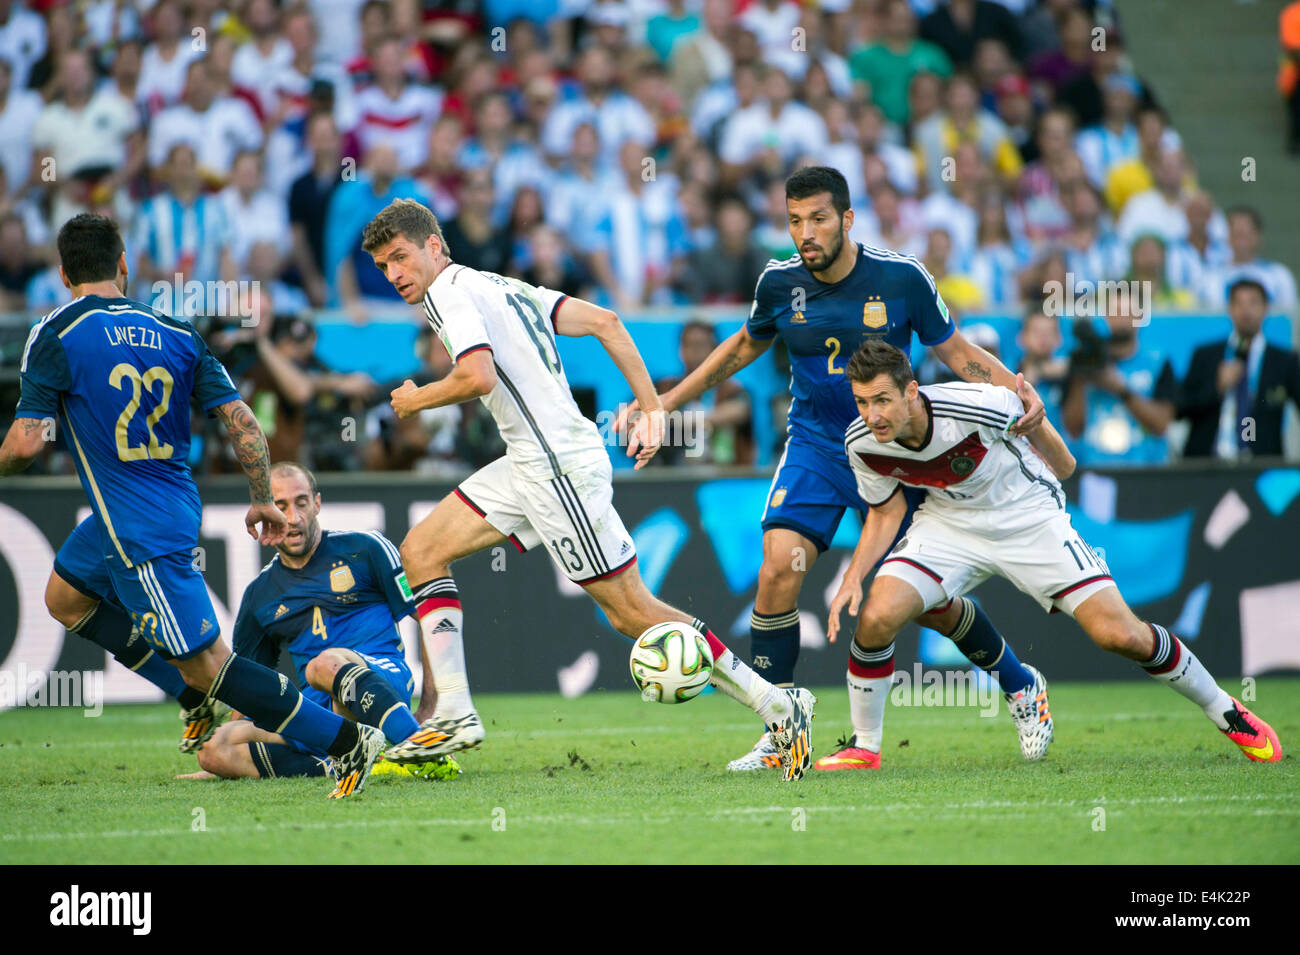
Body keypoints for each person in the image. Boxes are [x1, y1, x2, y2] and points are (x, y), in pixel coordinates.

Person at [618, 166, 1063, 772]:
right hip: (818, 446)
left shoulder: (901, 277)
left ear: (847, 219)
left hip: (894, 449)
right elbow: (745, 345)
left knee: (923, 601)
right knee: (777, 566)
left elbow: (955, 353)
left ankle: (1018, 683)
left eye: (818, 218)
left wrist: (1019, 394)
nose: (806, 232)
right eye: (795, 220)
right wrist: (665, 405)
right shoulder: (778, 283)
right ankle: (781, 728)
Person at [358, 199, 816, 781]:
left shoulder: (448, 293)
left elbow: (478, 376)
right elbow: (608, 323)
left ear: (434, 246)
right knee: (422, 550)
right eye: (381, 266)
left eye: (400, 257)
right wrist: (651, 408)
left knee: (632, 614)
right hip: (530, 459)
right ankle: (454, 708)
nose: (394, 274)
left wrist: (415, 398)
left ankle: (781, 708)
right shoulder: (498, 284)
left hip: (557, 468)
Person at [0, 214, 385, 798]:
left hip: (138, 527)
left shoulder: (55, 332)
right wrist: (261, 498)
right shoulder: (175, 331)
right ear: (124, 265)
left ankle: (345, 741)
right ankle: (190, 696)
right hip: (161, 506)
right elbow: (243, 422)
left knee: (212, 666)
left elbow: (27, 444)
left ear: (62, 274)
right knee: (65, 597)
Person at [822, 339, 1282, 768]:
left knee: (1119, 635)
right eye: (862, 401)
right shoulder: (861, 441)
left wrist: (1040, 425)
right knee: (879, 616)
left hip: (1028, 516)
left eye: (882, 399)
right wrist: (854, 577)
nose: (872, 414)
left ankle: (1225, 708)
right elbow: (885, 512)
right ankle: (867, 747)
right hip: (948, 524)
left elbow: (1064, 465)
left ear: (911, 391)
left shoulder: (977, 404)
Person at [181, 462, 459, 781]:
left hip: (381, 679)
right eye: (280, 506)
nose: (294, 517)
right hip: (315, 710)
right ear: (264, 511)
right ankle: (345, 762)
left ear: (317, 503)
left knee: (322, 665)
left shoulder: (365, 549)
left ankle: (419, 748)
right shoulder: (260, 595)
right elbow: (247, 684)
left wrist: (428, 710)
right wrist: (225, 755)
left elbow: (429, 617)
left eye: (301, 502)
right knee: (215, 748)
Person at [1181, 278, 1300, 460]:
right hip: (1206, 464)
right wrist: (1217, 387)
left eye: (1253, 302)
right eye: (1239, 303)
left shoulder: (1284, 361)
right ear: (1229, 309)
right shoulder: (1206, 355)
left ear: (1265, 308)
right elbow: (1180, 408)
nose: (1246, 311)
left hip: (1261, 466)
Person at [1061, 288, 1177, 466]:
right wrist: (1081, 377)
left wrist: (1121, 389)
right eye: (1115, 312)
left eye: (1127, 312)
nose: (1121, 318)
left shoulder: (1158, 361)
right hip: (1094, 467)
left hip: (1146, 468)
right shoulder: (1086, 359)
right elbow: (1073, 428)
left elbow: (1161, 424)